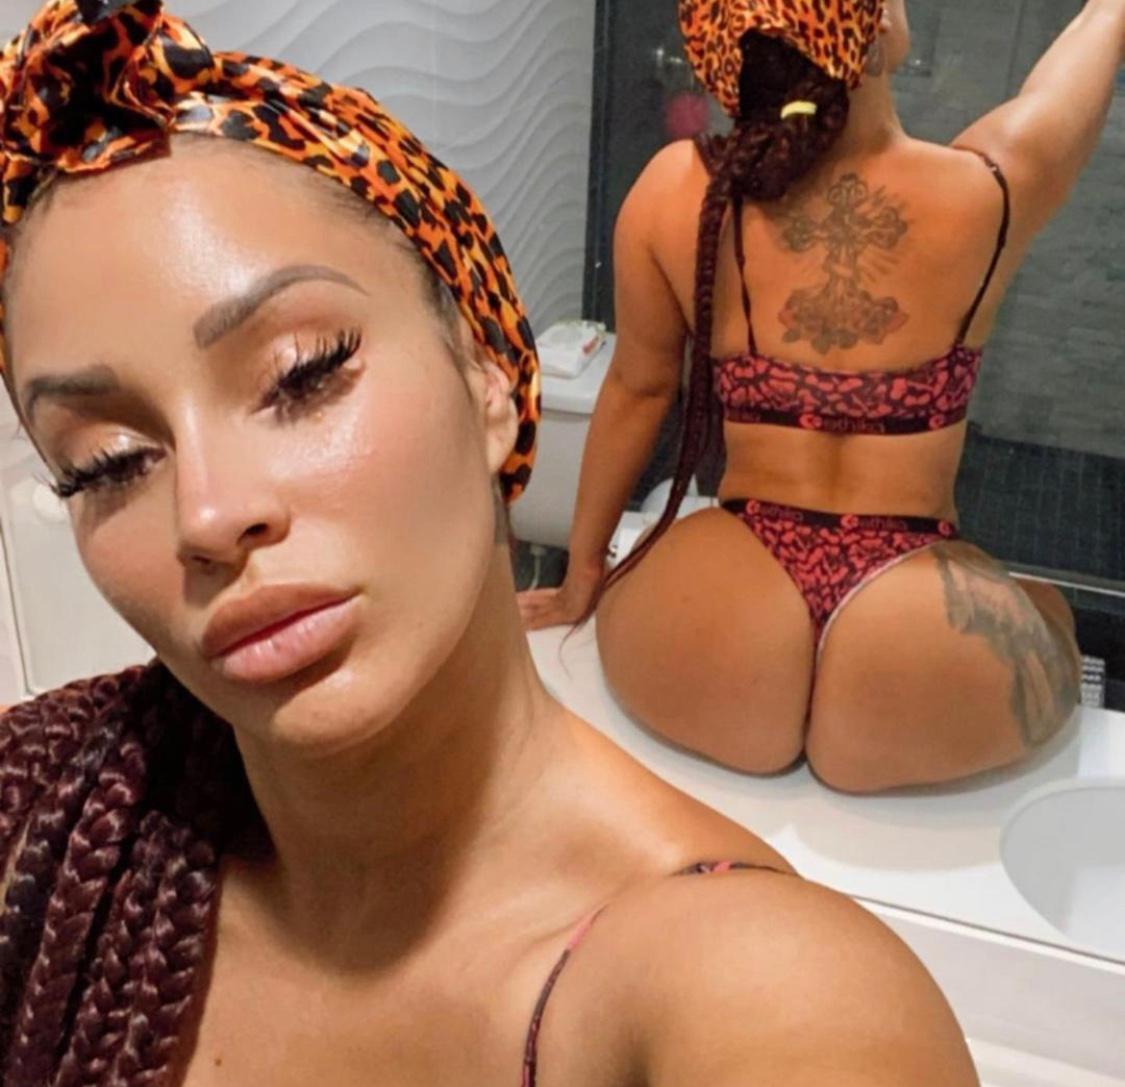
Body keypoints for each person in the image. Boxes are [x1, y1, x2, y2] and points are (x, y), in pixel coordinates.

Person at [0, 2, 980, 1084]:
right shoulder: (49, 817)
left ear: (491, 379)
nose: (207, 514)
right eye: (105, 464)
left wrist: (586, 573)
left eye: (303, 373)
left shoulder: (756, 984)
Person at [521, 0, 1124, 793]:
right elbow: (1080, 61)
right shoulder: (992, 186)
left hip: (716, 627)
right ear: (876, 33)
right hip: (923, 639)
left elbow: (638, 388)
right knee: (1047, 608)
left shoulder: (677, 188)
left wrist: (580, 578)